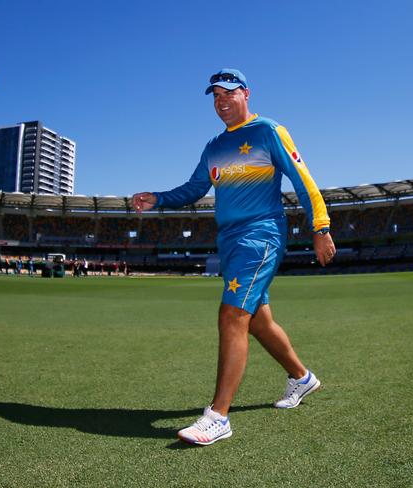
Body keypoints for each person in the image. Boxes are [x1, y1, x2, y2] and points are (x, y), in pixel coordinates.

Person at [132, 68, 336, 446]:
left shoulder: (268, 131)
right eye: (215, 96)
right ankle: (302, 378)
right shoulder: (213, 146)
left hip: (261, 236)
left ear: (246, 93)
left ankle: (218, 416)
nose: (221, 101)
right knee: (257, 320)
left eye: (228, 93)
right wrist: (158, 197)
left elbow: (303, 179)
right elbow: (195, 188)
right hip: (229, 241)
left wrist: (320, 228)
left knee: (231, 315)